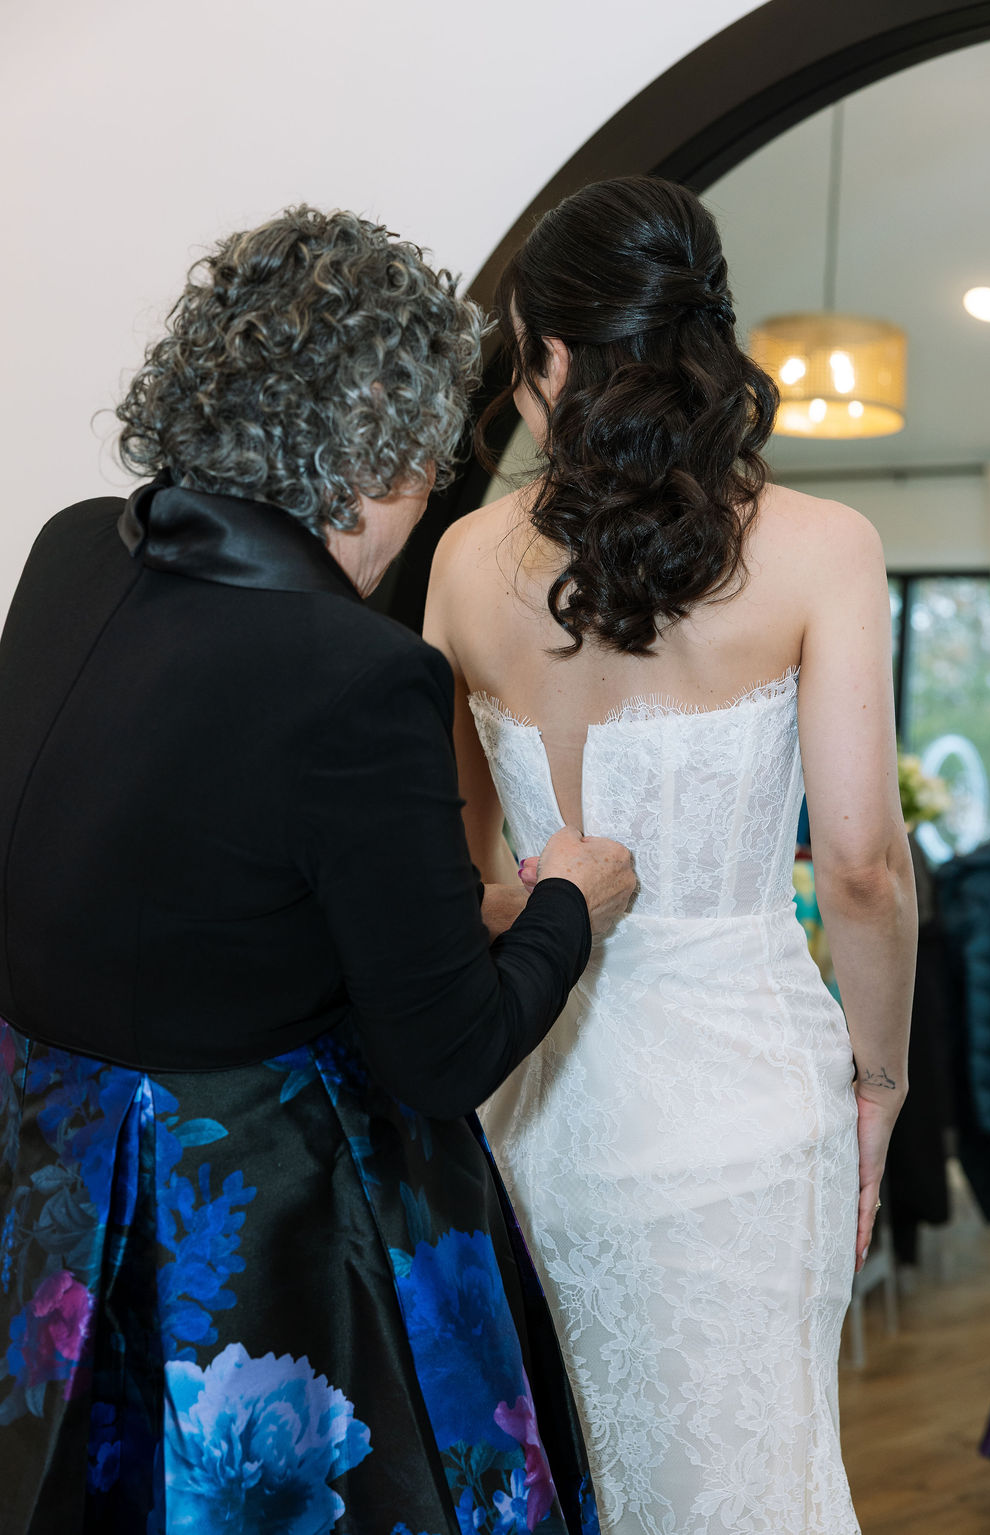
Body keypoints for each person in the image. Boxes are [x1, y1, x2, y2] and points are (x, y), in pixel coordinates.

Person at [0, 206, 636, 1534]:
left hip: (44, 1179)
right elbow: (444, 1056)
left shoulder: (71, 550)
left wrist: (438, 912)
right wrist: (569, 905)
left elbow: (193, 864)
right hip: (230, 1240)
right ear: (381, 454)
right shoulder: (359, 674)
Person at [423, 176, 917, 1535]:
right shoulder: (822, 548)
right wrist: (880, 1083)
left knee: (576, 1473)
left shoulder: (462, 563)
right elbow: (862, 866)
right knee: (752, 1480)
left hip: (542, 1100)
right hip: (750, 1106)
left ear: (554, 353)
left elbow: (459, 878)